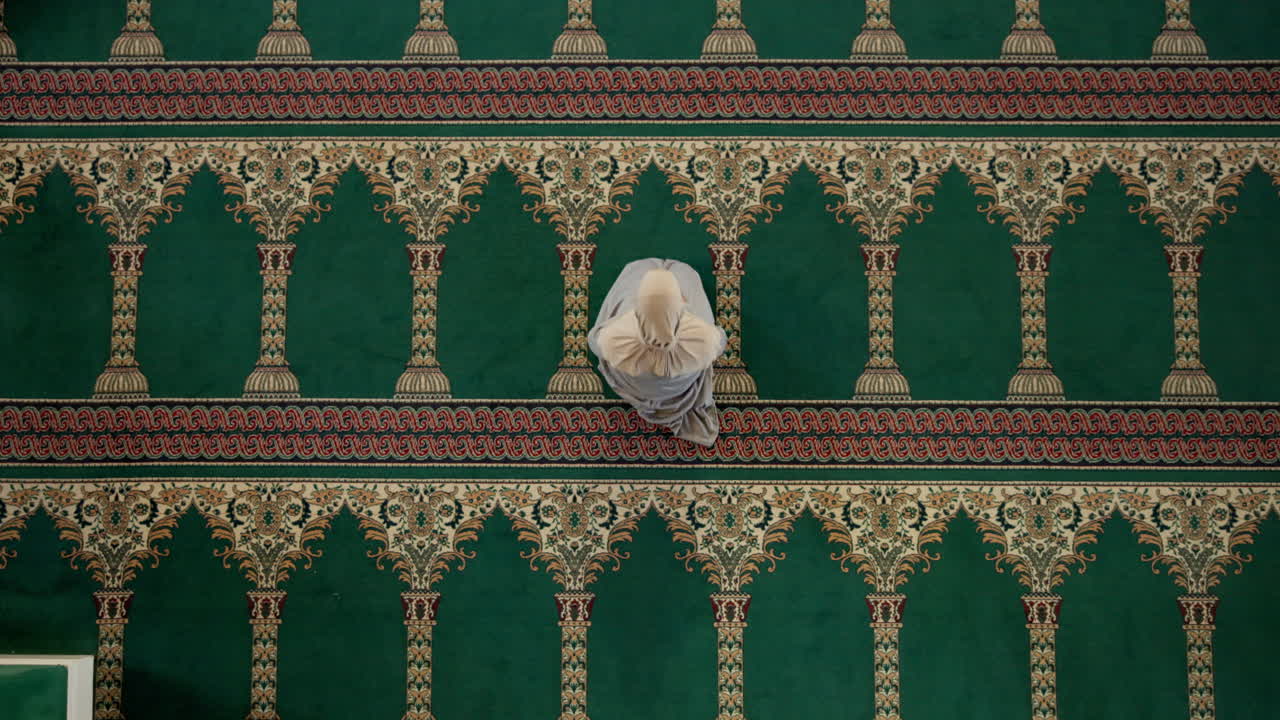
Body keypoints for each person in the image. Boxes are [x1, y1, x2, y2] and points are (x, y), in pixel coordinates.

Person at [587, 258, 728, 447]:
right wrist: (687, 320)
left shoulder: (614, 339)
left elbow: (593, 339)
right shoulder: (704, 339)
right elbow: (721, 340)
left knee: (638, 273)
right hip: (681, 391)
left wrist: (629, 320)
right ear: (680, 306)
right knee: (684, 274)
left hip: (635, 386)